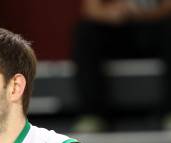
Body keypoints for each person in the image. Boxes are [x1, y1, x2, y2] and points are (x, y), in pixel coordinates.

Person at [72, 0, 171, 132]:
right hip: (117, 31)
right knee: (85, 30)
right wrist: (112, 13)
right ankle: (93, 114)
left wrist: (145, 14)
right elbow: (91, 9)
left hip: (154, 28)